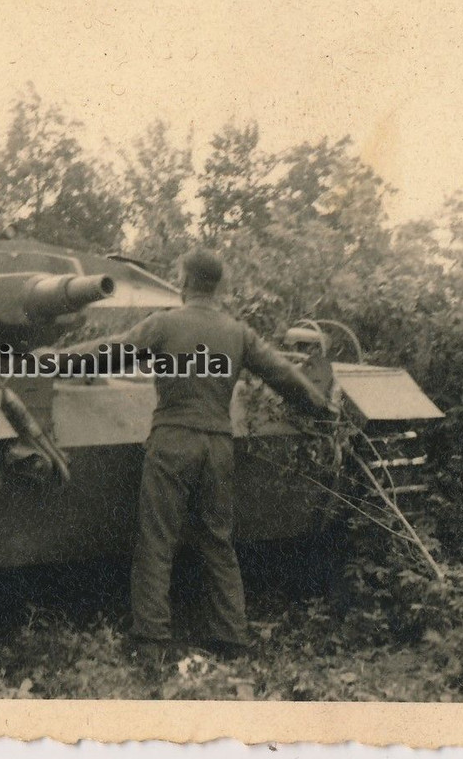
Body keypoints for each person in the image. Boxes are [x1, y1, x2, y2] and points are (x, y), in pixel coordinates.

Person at [72, 248, 338, 664]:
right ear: (219, 286)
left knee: (157, 541)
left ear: (182, 279)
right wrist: (320, 406)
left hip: (173, 440)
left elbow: (111, 351)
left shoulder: (164, 324)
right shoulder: (237, 331)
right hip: (217, 444)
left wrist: (48, 359)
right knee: (217, 541)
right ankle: (232, 638)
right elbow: (283, 375)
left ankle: (152, 643)